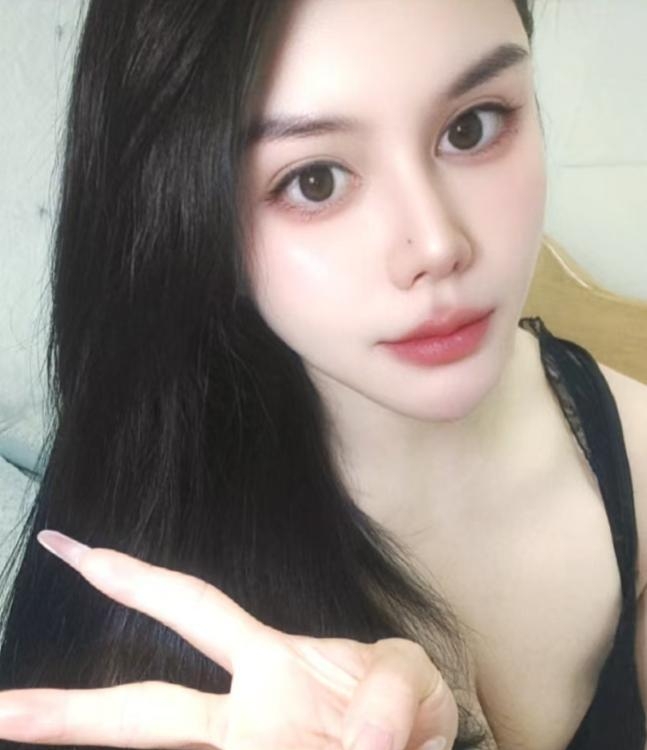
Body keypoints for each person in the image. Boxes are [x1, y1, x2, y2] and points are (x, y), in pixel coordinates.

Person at [0, 1, 645, 748]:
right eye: (313, 180)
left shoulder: (633, 456)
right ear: (191, 216)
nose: (436, 244)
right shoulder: (137, 534)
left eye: (472, 126)